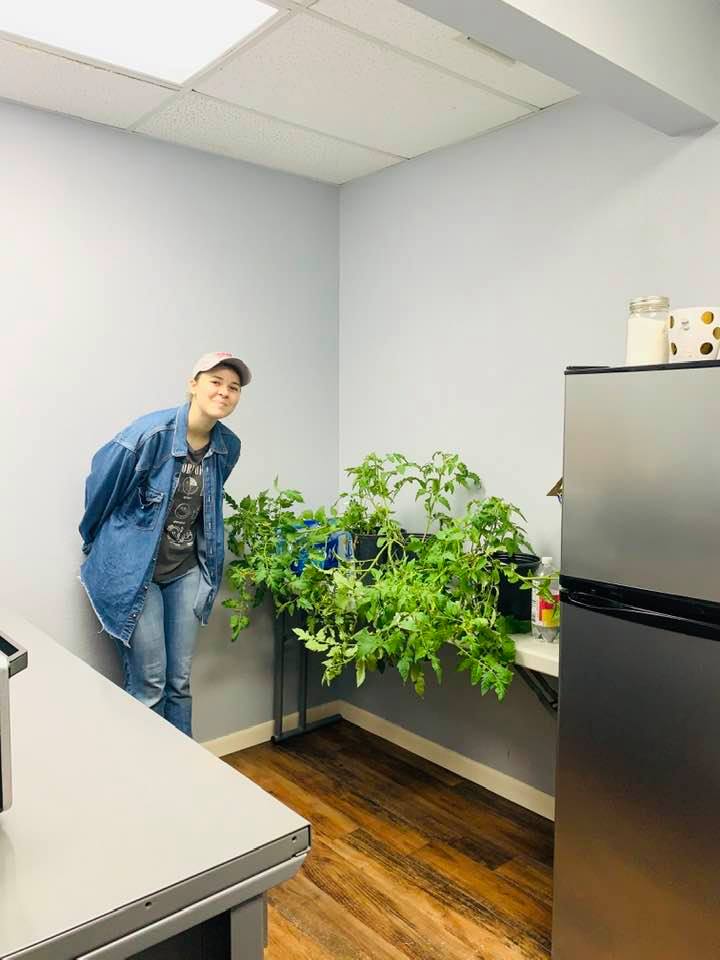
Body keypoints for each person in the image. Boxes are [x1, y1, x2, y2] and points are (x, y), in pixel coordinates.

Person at [79, 352, 250, 736]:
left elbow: (202, 507)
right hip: (134, 573)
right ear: (193, 384)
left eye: (233, 387)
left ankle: (182, 774)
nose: (224, 392)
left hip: (184, 571)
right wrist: (94, 543)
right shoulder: (149, 435)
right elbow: (99, 489)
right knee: (150, 684)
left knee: (180, 683)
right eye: (215, 381)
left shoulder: (228, 447)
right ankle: (145, 780)